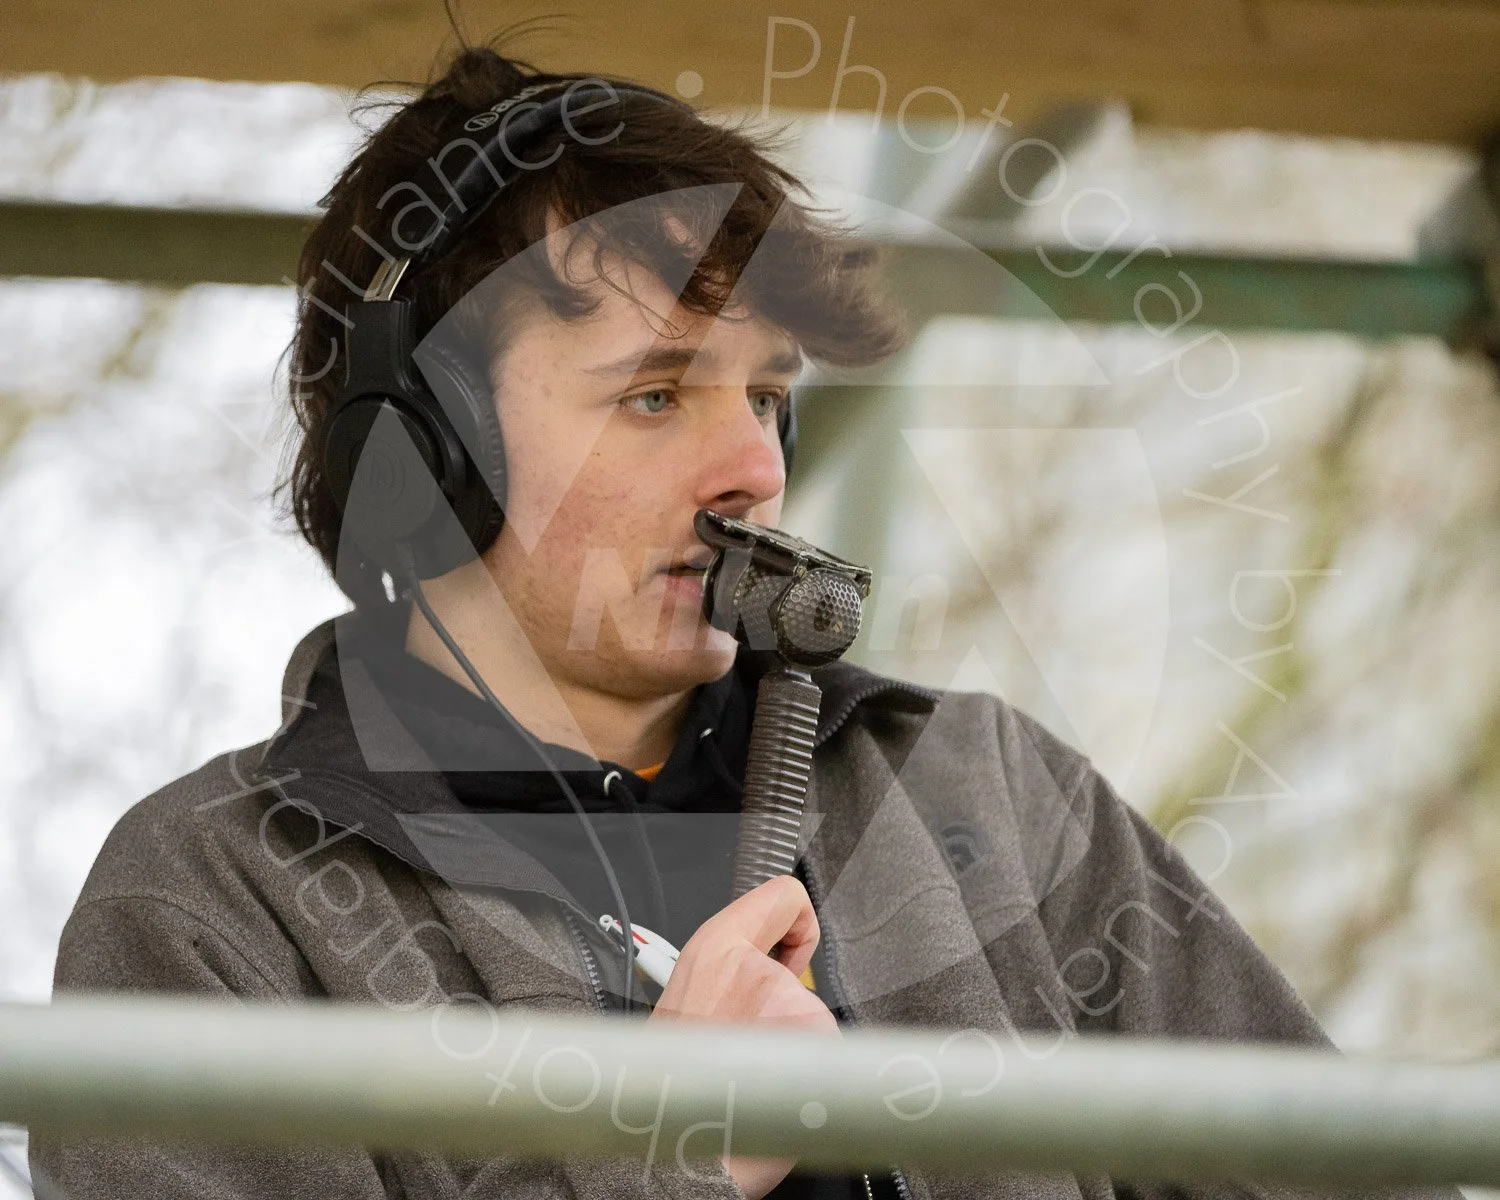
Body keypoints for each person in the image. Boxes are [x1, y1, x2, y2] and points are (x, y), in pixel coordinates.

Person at [29, 40, 1461, 1200]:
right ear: (422, 455)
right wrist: (676, 1161)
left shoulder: (993, 798)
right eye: (657, 394)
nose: (756, 470)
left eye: (767, 396)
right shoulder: (214, 915)